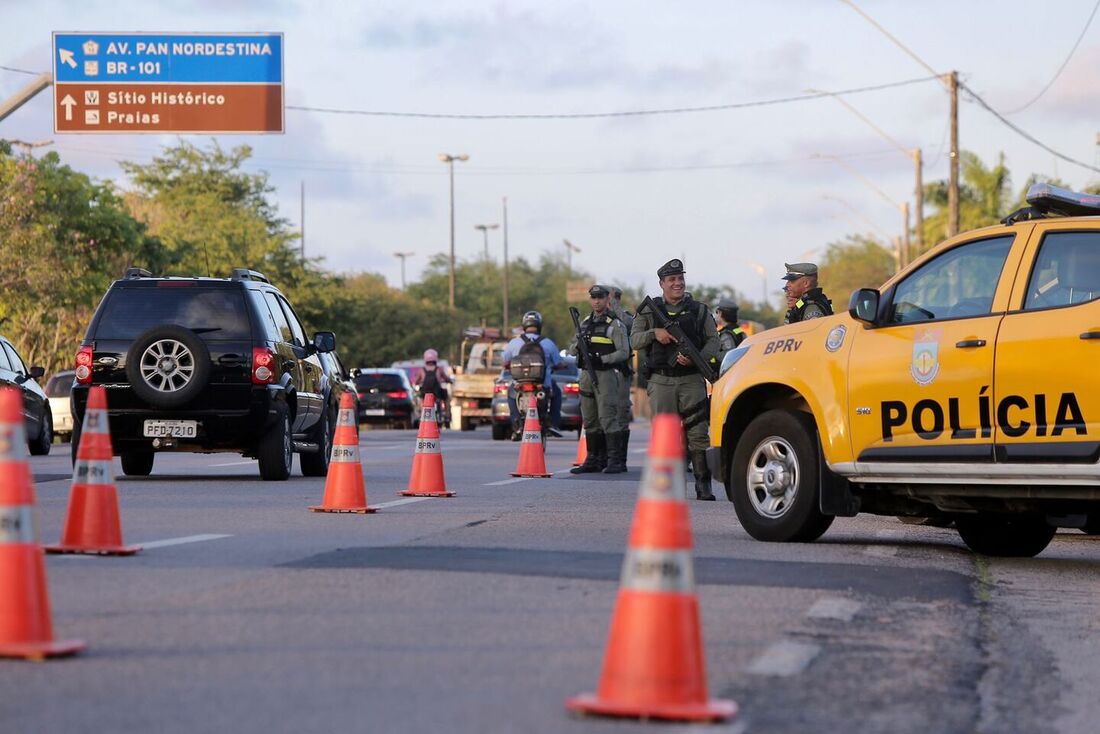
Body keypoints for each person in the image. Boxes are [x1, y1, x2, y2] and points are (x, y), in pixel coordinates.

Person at [630, 259, 720, 500]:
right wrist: (655, 333)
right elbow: (634, 340)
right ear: (662, 284)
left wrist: (697, 358)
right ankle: (667, 484)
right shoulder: (649, 311)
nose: (677, 283)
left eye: (680, 278)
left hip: (691, 379)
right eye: (672, 280)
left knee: (698, 433)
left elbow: (714, 341)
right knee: (664, 434)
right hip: (661, 381)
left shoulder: (699, 310)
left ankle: (703, 484)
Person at [569, 285, 631, 474]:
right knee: (589, 418)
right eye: (593, 298)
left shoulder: (615, 324)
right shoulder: (586, 322)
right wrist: (578, 347)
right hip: (587, 374)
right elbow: (572, 347)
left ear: (607, 300)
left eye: (600, 298)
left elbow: (624, 352)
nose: (596, 301)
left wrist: (602, 359)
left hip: (605, 375)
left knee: (607, 416)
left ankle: (615, 461)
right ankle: (593, 459)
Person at [501, 310, 564, 438]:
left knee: (511, 395)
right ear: (539, 325)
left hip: (519, 384)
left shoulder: (514, 342)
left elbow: (505, 362)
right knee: (557, 393)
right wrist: (560, 366)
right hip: (543, 384)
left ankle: (517, 425)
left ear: (524, 326)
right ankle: (553, 423)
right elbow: (558, 363)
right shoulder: (548, 343)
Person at [605, 285, 636, 458]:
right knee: (604, 414)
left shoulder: (626, 318)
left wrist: (614, 305)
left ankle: (619, 457)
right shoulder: (597, 319)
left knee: (621, 412)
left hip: (621, 372)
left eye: (610, 297)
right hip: (603, 373)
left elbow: (627, 323)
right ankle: (602, 456)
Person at [412, 349, 452, 424]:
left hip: (425, 392)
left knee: (421, 398)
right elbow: (446, 378)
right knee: (446, 398)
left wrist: (416, 383)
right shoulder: (438, 369)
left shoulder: (422, 370)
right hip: (437, 392)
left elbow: (416, 381)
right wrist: (450, 381)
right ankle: (447, 415)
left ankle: (421, 414)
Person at [715, 297, 746, 361]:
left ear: (720, 313)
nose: (716, 315)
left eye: (717, 312)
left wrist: (712, 353)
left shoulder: (726, 334)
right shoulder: (739, 331)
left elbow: (728, 357)